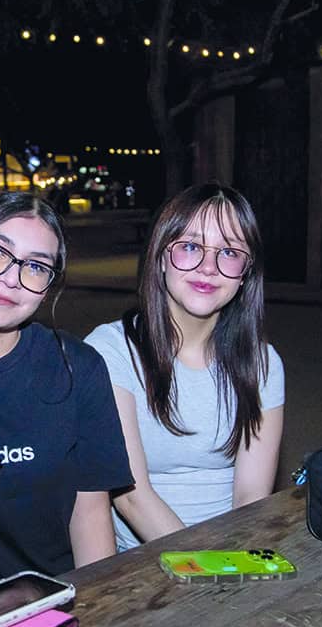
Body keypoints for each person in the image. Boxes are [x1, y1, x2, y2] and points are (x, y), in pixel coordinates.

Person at [0, 192, 133, 580]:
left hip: (55, 596)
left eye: (36, 267)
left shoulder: (77, 368)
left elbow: (89, 511)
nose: (9, 278)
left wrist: (99, 609)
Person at [85, 183, 285, 551]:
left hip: (233, 551)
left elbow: (251, 497)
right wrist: (207, 571)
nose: (208, 268)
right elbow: (132, 496)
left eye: (228, 252)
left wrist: (234, 563)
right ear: (161, 257)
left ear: (245, 273)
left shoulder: (262, 363)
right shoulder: (110, 351)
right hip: (146, 558)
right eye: (191, 247)